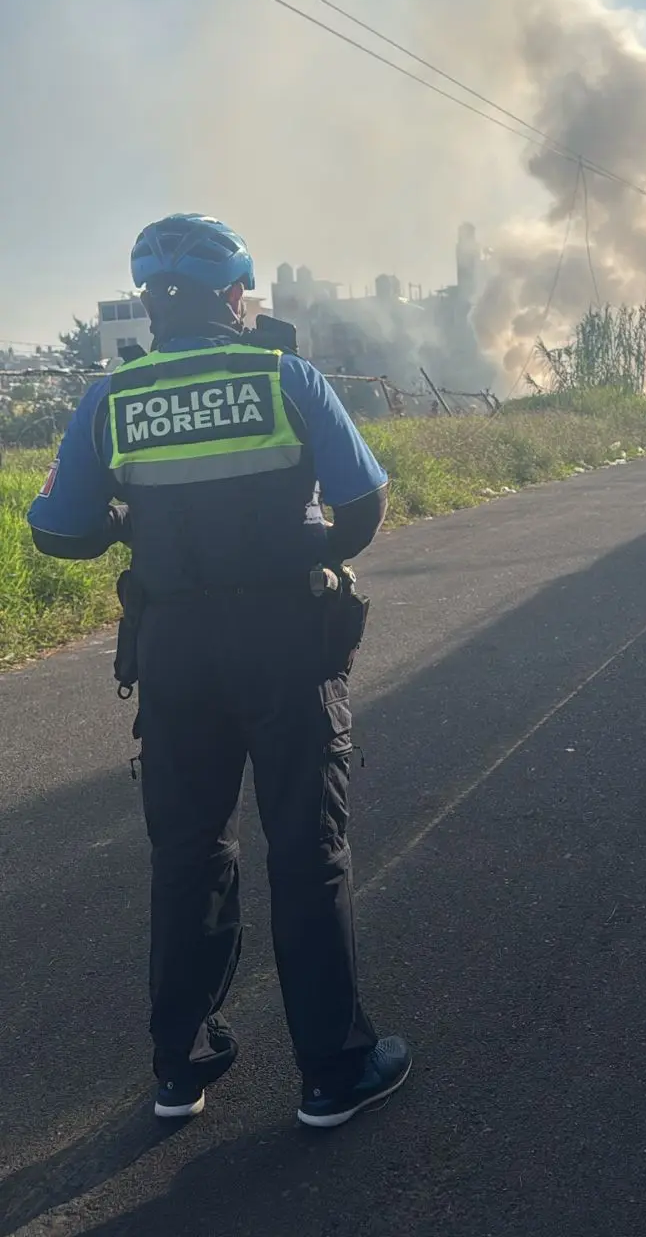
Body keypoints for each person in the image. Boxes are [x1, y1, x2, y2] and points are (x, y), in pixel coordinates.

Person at [28, 214, 410, 1128]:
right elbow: (363, 505)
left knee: (188, 852)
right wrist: (300, 535)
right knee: (308, 853)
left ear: (153, 304)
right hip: (285, 639)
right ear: (233, 295)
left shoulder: (111, 397)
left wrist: (134, 525)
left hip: (173, 653)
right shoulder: (285, 377)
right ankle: (331, 1072)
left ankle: (180, 1069)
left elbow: (57, 530)